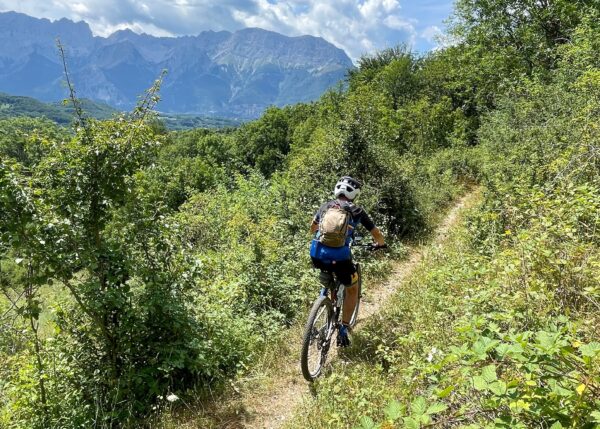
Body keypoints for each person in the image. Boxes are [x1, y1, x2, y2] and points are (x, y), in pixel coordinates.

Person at [309, 176, 385, 347]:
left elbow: (312, 228)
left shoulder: (325, 206)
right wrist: (381, 244)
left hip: (317, 254)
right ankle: (343, 329)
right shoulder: (357, 211)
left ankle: (322, 300)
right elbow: (376, 234)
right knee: (352, 289)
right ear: (354, 194)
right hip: (341, 258)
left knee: (326, 271)